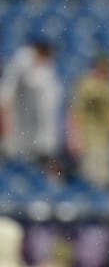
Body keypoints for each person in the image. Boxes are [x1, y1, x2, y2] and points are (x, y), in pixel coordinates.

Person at [66, 54, 109, 189]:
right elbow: (75, 112)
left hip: (106, 139)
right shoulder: (85, 85)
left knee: (105, 179)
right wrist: (74, 136)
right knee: (89, 179)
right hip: (88, 138)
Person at [0, 38, 63, 172]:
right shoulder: (21, 62)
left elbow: (50, 104)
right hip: (16, 127)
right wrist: (6, 123)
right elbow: (5, 98)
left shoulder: (48, 67)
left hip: (36, 133)